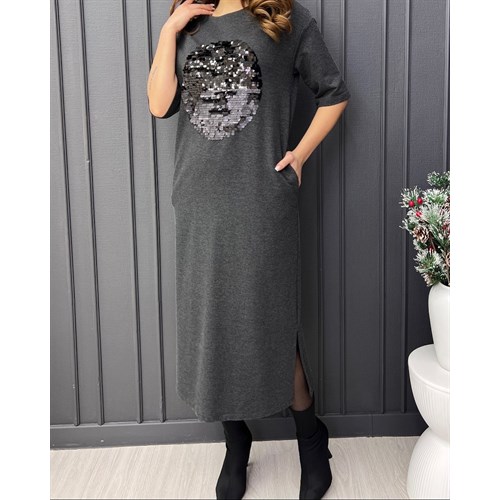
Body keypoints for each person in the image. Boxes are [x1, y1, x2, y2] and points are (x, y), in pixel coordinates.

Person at [147, 0, 350, 498]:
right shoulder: (189, 22)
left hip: (261, 201)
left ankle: (311, 440)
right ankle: (235, 443)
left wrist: (299, 156)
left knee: (268, 320)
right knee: (212, 321)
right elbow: (159, 104)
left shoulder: (284, 18)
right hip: (199, 200)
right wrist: (169, 31)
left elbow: (335, 93)